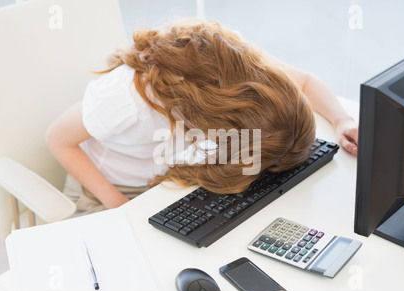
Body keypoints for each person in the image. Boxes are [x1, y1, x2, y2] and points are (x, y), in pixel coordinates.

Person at [46, 19, 358, 213]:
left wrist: (341, 119)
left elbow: (303, 83)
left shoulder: (246, 68)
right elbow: (58, 141)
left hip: (165, 178)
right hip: (106, 190)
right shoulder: (128, 98)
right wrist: (120, 208)